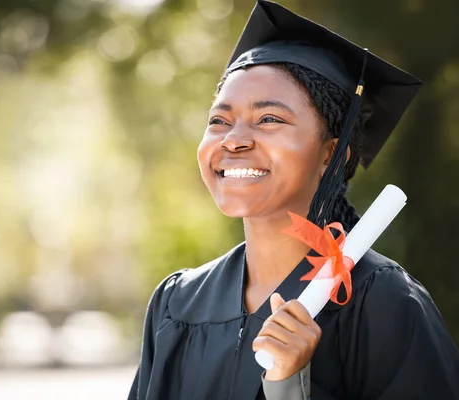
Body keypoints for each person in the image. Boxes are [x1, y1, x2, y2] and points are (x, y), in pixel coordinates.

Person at [128, 1, 459, 399]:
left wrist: (290, 385)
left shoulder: (384, 302)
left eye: (269, 119)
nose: (234, 139)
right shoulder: (178, 302)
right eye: (219, 120)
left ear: (332, 154)